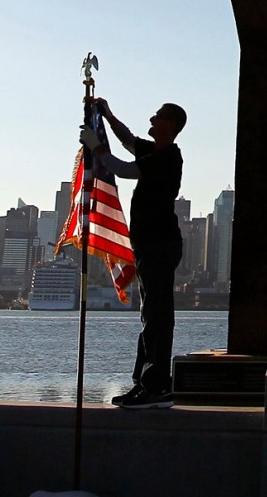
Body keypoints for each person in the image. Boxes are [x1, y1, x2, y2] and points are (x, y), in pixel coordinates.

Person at [80, 98, 186, 409]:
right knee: (150, 316)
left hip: (159, 245)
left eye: (159, 117)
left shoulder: (168, 158)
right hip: (149, 246)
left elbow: (125, 169)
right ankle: (145, 383)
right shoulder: (156, 151)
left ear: (170, 126)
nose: (152, 118)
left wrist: (96, 148)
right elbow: (128, 141)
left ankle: (156, 387)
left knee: (157, 316)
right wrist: (108, 114)